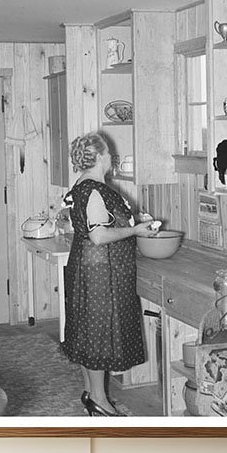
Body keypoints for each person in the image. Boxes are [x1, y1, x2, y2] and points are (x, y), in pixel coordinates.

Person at [61, 132, 156, 416]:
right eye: (109, 153)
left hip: (88, 266)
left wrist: (134, 221)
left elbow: (99, 225)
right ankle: (101, 401)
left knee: (87, 331)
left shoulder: (83, 185)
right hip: (100, 270)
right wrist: (136, 230)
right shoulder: (93, 189)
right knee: (98, 334)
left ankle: (92, 393)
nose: (111, 158)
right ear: (101, 157)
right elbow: (99, 235)